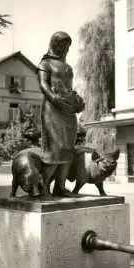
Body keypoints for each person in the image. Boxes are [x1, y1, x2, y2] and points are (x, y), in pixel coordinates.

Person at [37, 31, 84, 197]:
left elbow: (69, 88)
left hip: (67, 111)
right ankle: (43, 188)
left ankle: (60, 187)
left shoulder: (68, 67)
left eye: (68, 46)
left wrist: (77, 101)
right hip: (52, 110)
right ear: (55, 45)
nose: (65, 49)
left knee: (67, 150)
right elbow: (43, 85)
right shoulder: (45, 63)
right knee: (55, 150)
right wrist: (54, 98)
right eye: (63, 45)